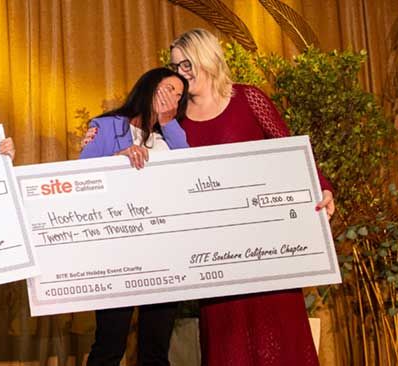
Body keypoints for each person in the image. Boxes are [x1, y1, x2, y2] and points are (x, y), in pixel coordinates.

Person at [168, 28, 335, 366]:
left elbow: (290, 150)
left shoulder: (248, 98)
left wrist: (322, 187)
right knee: (229, 350)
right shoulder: (175, 122)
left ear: (208, 58)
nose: (181, 74)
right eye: (175, 68)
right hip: (216, 262)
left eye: (187, 65)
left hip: (270, 252)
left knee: (282, 344)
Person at [79, 67, 190, 366]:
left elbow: (193, 171)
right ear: (149, 88)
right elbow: (79, 178)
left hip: (165, 252)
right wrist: (117, 161)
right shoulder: (106, 126)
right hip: (118, 253)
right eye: (168, 90)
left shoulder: (173, 136)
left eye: (179, 95)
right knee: (109, 345)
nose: (174, 98)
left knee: (156, 349)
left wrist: (169, 124)